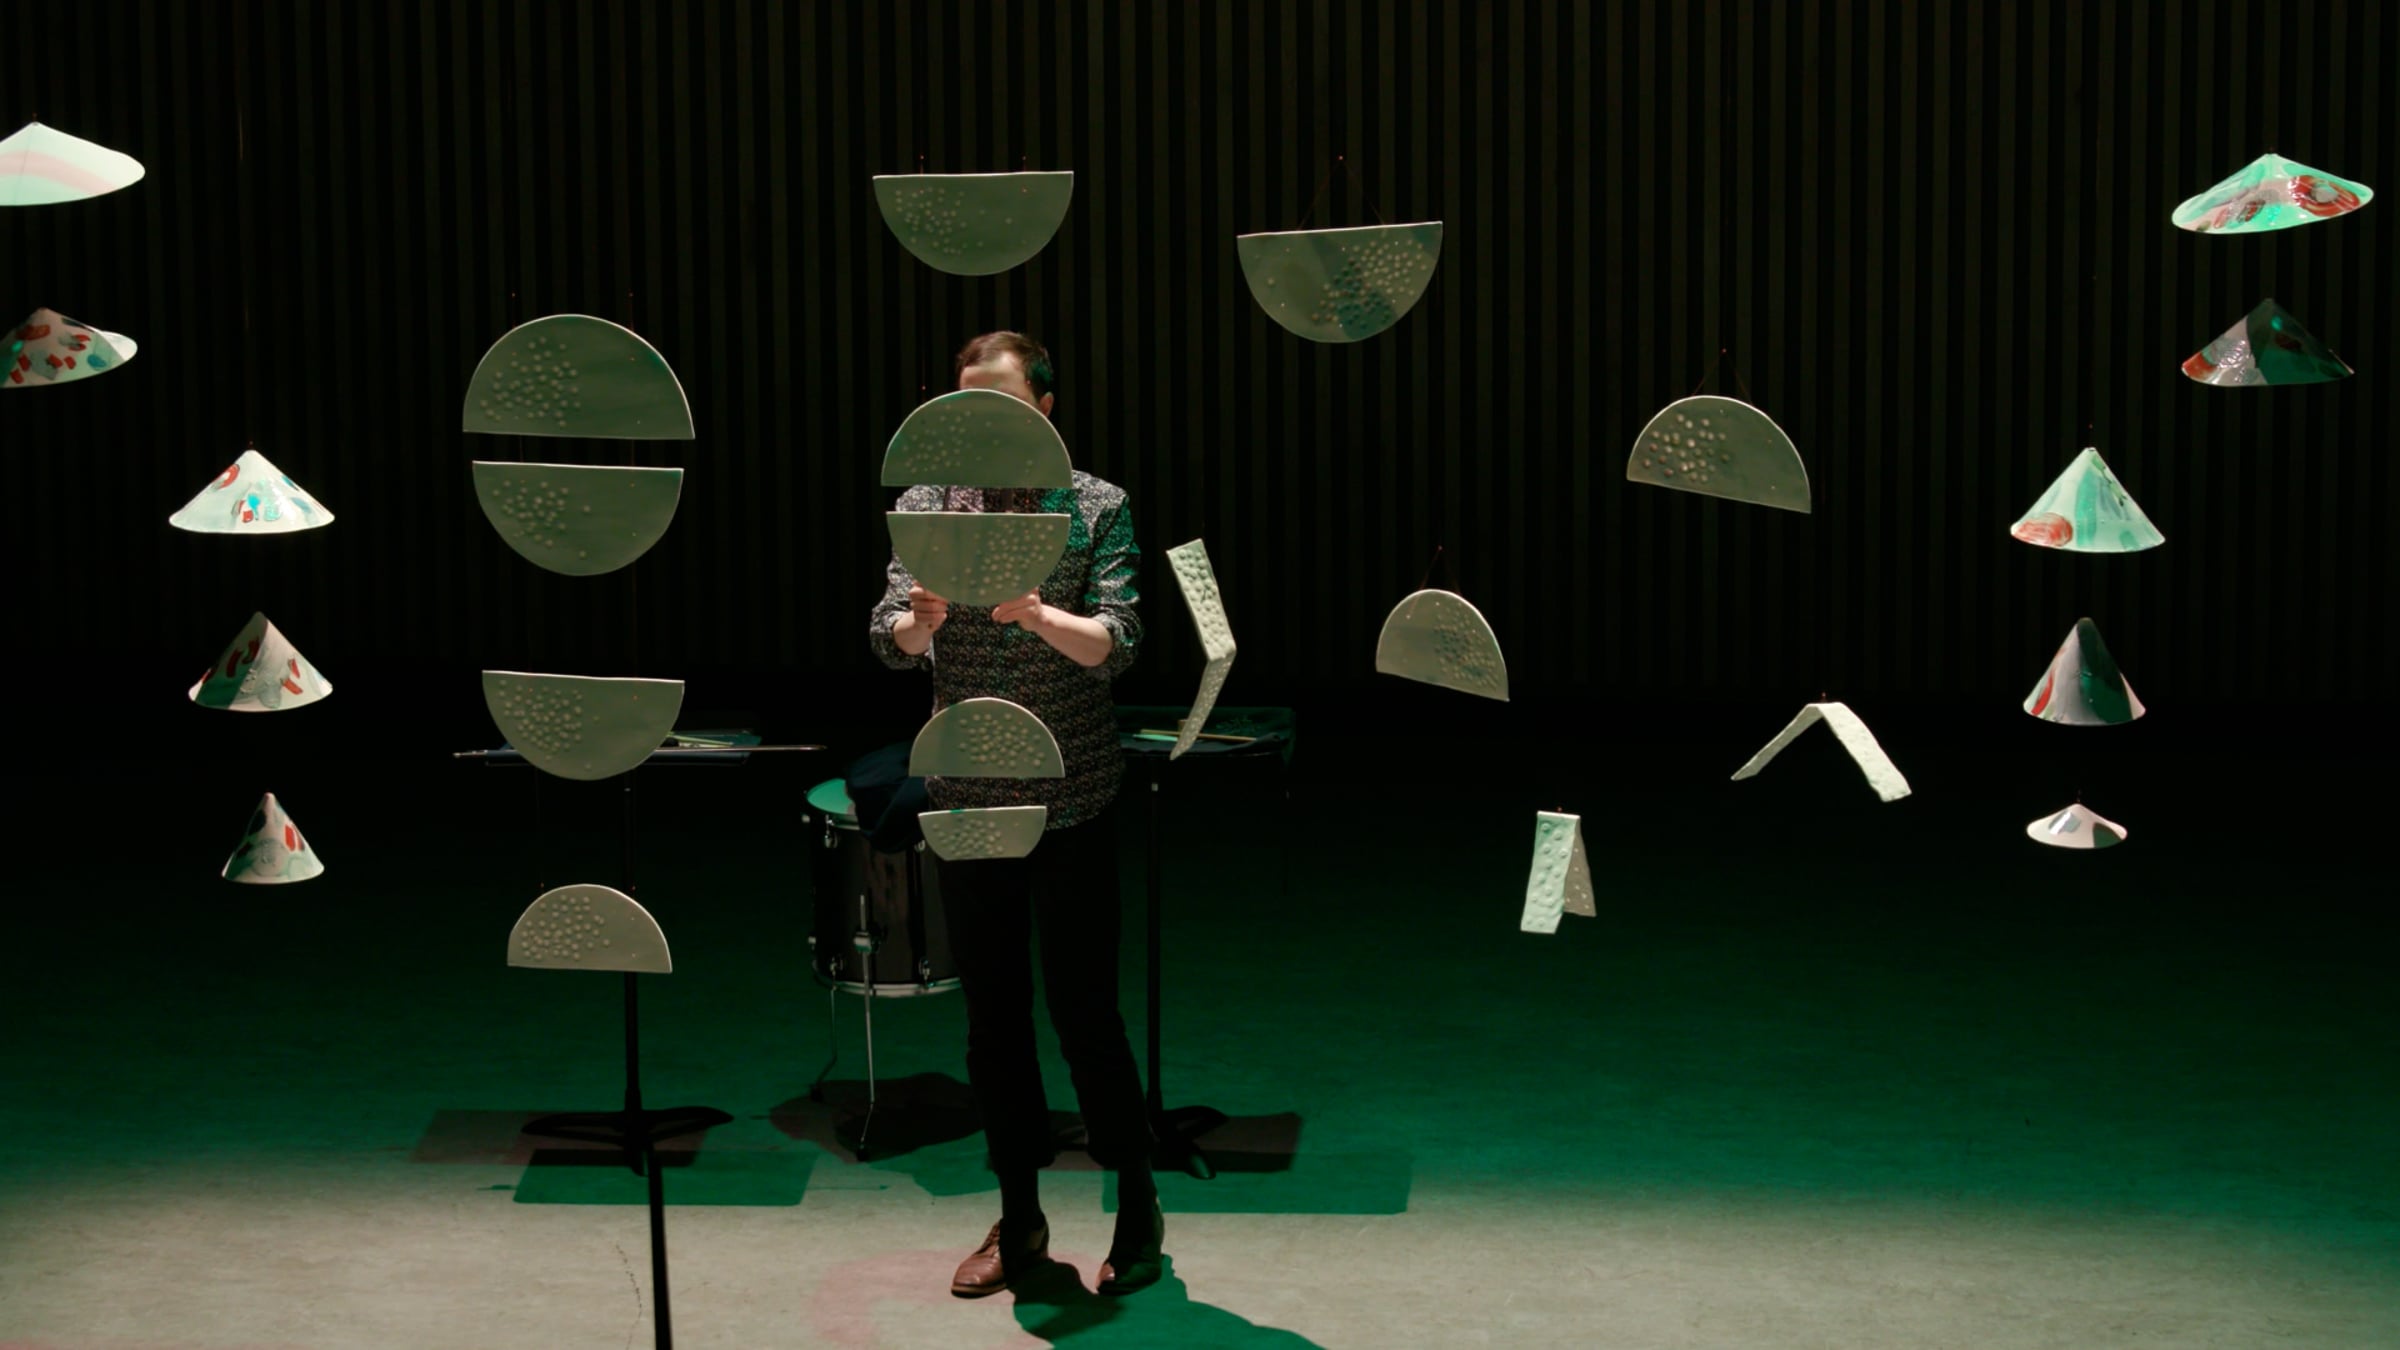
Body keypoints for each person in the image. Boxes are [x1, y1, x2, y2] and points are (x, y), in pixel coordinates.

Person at [868, 331, 1164, 1298]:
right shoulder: (928, 507)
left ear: (1043, 407)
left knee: (1086, 1014)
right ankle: (1020, 1214)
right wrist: (919, 622)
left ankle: (1135, 1204)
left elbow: (1118, 643)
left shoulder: (1096, 505)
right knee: (993, 1022)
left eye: (1002, 403)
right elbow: (887, 635)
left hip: (1072, 793)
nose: (984, 424)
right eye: (968, 406)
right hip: (966, 794)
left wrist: (1037, 614)